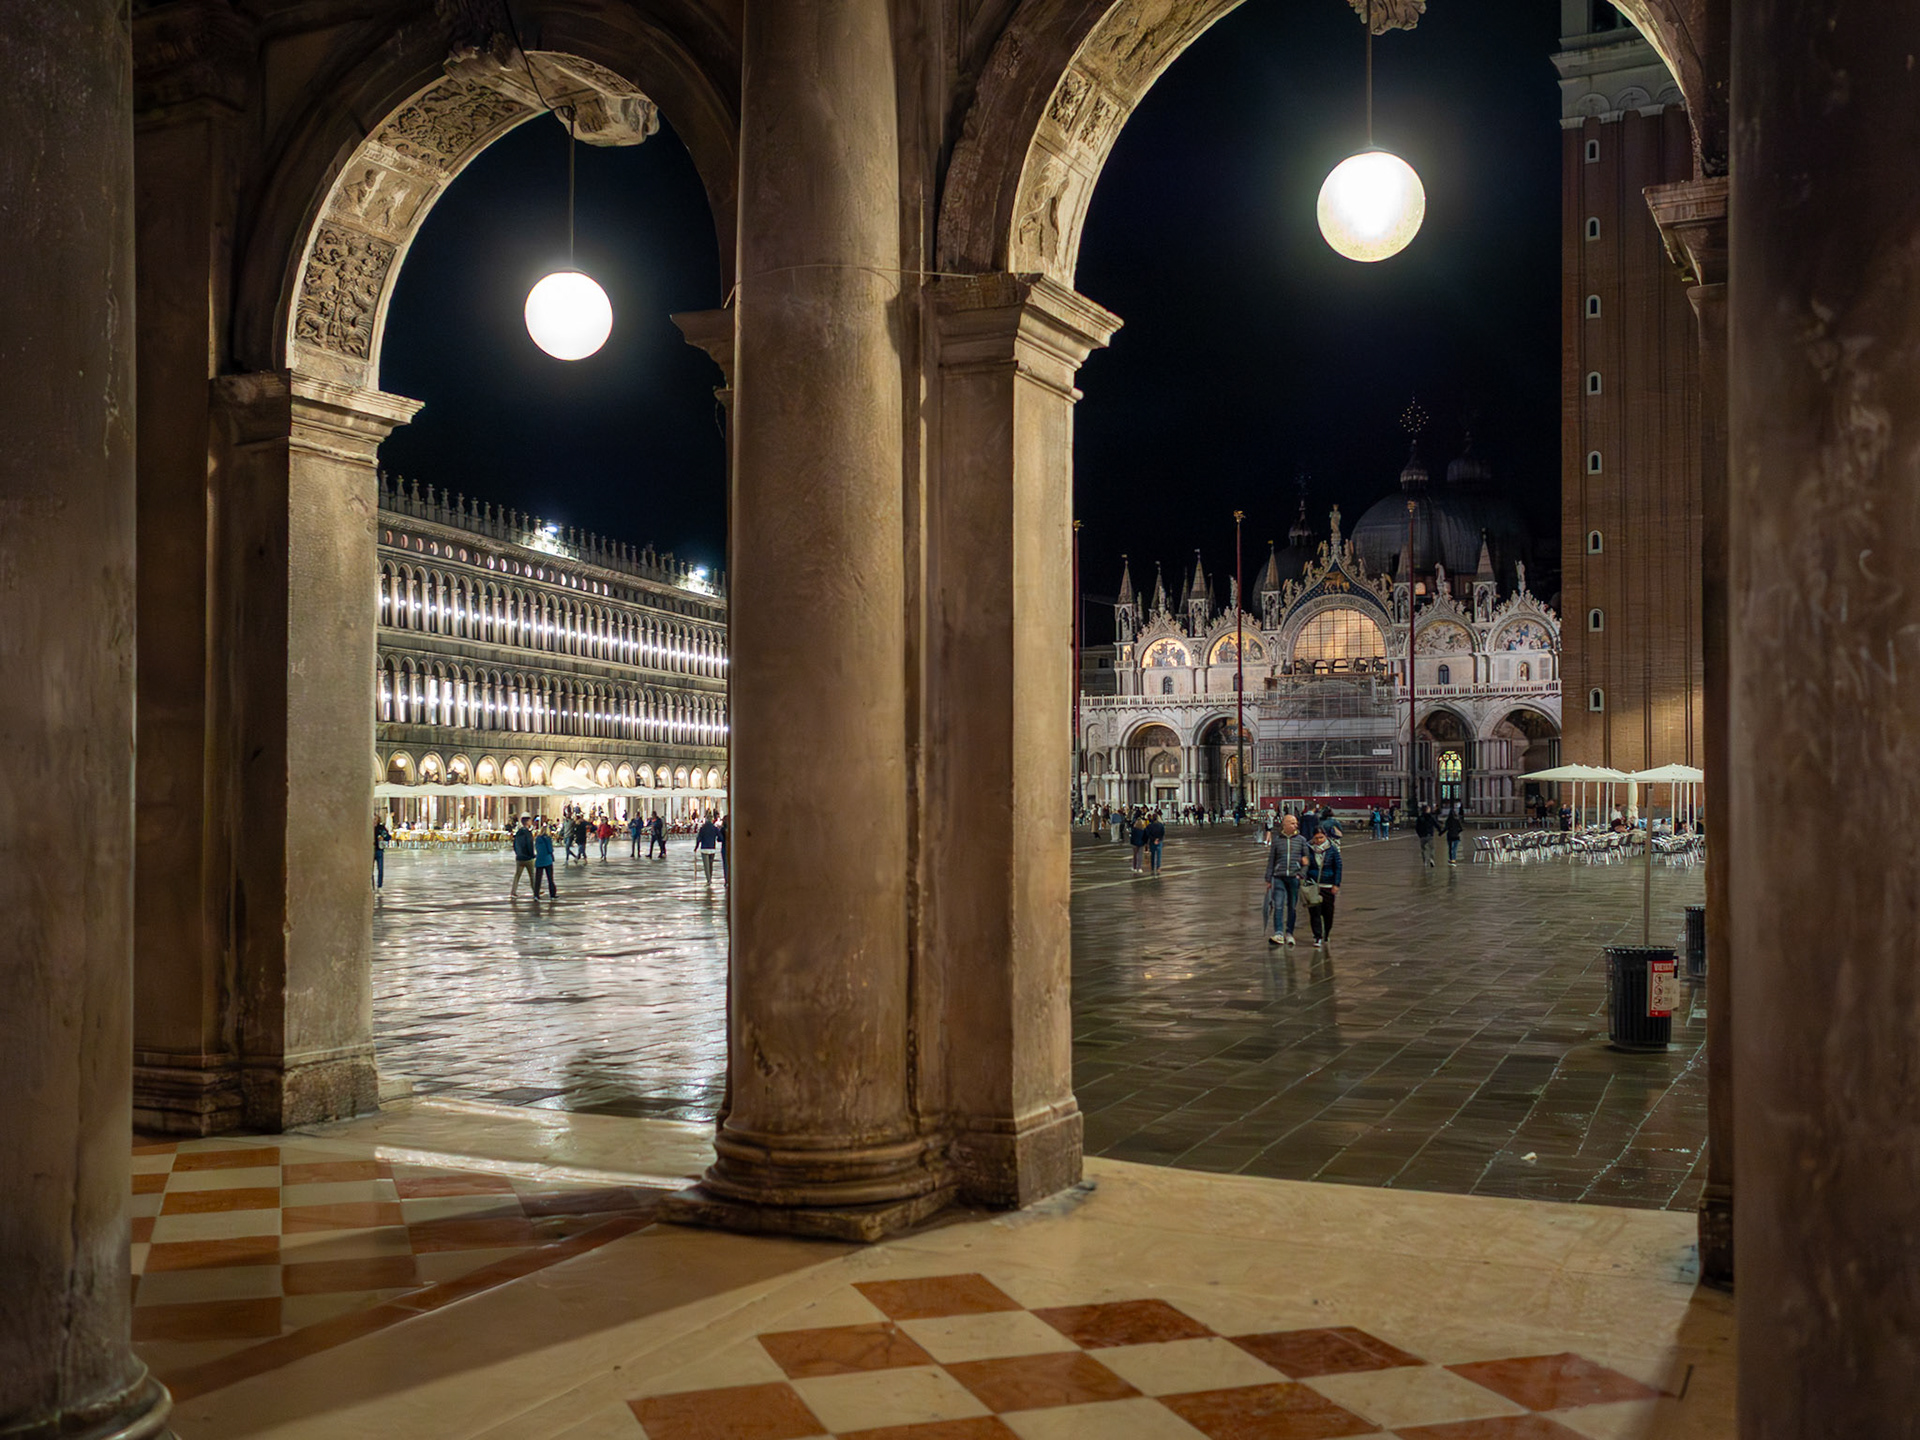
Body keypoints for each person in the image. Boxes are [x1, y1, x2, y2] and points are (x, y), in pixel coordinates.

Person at [1265, 813, 1308, 946]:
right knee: (1278, 905)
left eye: (1296, 823)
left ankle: (1289, 933)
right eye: (1292, 823)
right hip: (1279, 877)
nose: (1295, 825)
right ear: (1284, 824)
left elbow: (1306, 860)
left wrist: (1301, 874)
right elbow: (1271, 860)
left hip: (1294, 877)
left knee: (1292, 907)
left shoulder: (1301, 840)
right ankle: (1278, 933)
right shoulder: (1277, 840)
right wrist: (1268, 878)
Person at [1304, 826, 1342, 947]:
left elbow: (1338, 867)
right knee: (1314, 912)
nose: (1319, 840)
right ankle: (1317, 936)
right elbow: (1305, 866)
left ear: (1325, 836)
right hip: (1313, 884)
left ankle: (1326, 933)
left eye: (1321, 837)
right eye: (1316, 838)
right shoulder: (1308, 848)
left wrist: (1336, 884)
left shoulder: (1332, 849)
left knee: (1328, 913)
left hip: (1328, 884)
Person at [510, 815, 536, 897]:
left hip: (519, 857)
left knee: (517, 875)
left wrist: (517, 853)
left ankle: (513, 891)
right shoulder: (528, 833)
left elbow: (514, 844)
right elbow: (529, 845)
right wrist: (532, 855)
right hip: (528, 858)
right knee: (532, 875)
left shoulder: (518, 832)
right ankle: (535, 891)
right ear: (527, 822)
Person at [533, 821, 558, 897]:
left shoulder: (537, 839)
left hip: (539, 860)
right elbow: (550, 849)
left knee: (538, 879)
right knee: (550, 878)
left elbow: (536, 848)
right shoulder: (548, 838)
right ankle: (552, 894)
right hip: (547, 860)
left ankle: (536, 894)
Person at [695, 812, 720, 883]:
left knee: (706, 865)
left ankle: (708, 879)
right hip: (712, 848)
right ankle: (710, 877)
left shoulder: (702, 828)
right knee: (711, 864)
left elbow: (699, 838)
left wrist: (696, 847)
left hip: (704, 848)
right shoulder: (715, 828)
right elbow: (720, 837)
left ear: (706, 819)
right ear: (712, 820)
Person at [373, 815, 390, 890]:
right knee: (370, 870)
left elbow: (388, 837)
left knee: (380, 868)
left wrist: (383, 837)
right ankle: (372, 885)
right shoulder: (369, 828)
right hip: (371, 850)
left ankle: (379, 885)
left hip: (379, 850)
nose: (374, 820)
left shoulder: (381, 828)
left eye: (375, 819)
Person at [1146, 809, 1166, 874]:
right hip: (1159, 841)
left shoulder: (1149, 826)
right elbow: (1163, 833)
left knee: (1152, 855)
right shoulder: (1161, 825)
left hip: (1152, 841)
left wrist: (1153, 839)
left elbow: (1148, 834)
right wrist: (1158, 839)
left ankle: (1152, 867)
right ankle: (1158, 867)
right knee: (1159, 855)